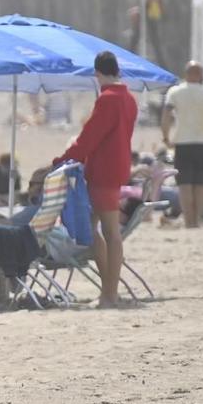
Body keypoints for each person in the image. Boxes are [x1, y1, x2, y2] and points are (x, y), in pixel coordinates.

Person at [52, 51, 140, 307]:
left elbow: (89, 137)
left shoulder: (108, 99)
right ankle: (108, 288)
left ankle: (110, 294)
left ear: (98, 73)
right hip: (119, 166)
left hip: (103, 171)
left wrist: (63, 159)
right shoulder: (129, 99)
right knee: (92, 229)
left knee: (110, 232)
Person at [163, 61, 203, 229]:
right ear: (201, 75)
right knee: (199, 183)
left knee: (184, 183)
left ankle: (188, 220)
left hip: (182, 142)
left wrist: (166, 136)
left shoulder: (175, 91)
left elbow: (166, 113)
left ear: (186, 74)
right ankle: (196, 220)